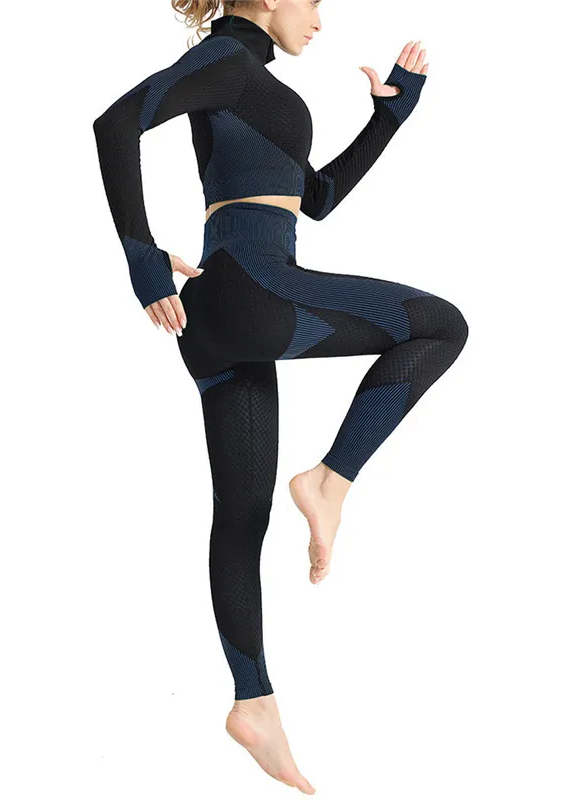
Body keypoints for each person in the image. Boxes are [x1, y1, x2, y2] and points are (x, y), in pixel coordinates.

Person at [92, 0, 468, 791]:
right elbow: (116, 123)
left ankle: (253, 703)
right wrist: (141, 260)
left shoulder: (246, 82)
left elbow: (316, 198)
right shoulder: (225, 61)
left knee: (241, 515)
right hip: (252, 293)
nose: (320, 19)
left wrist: (387, 120)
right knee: (440, 325)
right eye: (314, 0)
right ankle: (329, 480)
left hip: (222, 317)